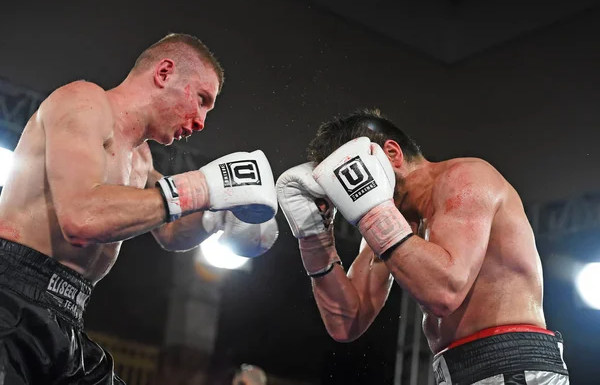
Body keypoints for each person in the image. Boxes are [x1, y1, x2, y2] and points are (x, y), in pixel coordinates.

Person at [0, 33, 278, 384]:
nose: (201, 122)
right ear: (164, 73)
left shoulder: (142, 160)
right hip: (9, 297)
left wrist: (217, 214)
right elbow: (81, 216)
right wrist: (203, 186)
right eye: (202, 99)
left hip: (69, 316)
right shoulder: (84, 103)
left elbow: (171, 230)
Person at [276, 109, 569, 385]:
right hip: (455, 369)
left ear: (392, 153)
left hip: (513, 364)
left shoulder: (465, 180)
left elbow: (444, 292)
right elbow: (346, 322)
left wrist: (373, 213)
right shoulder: (386, 223)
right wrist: (315, 239)